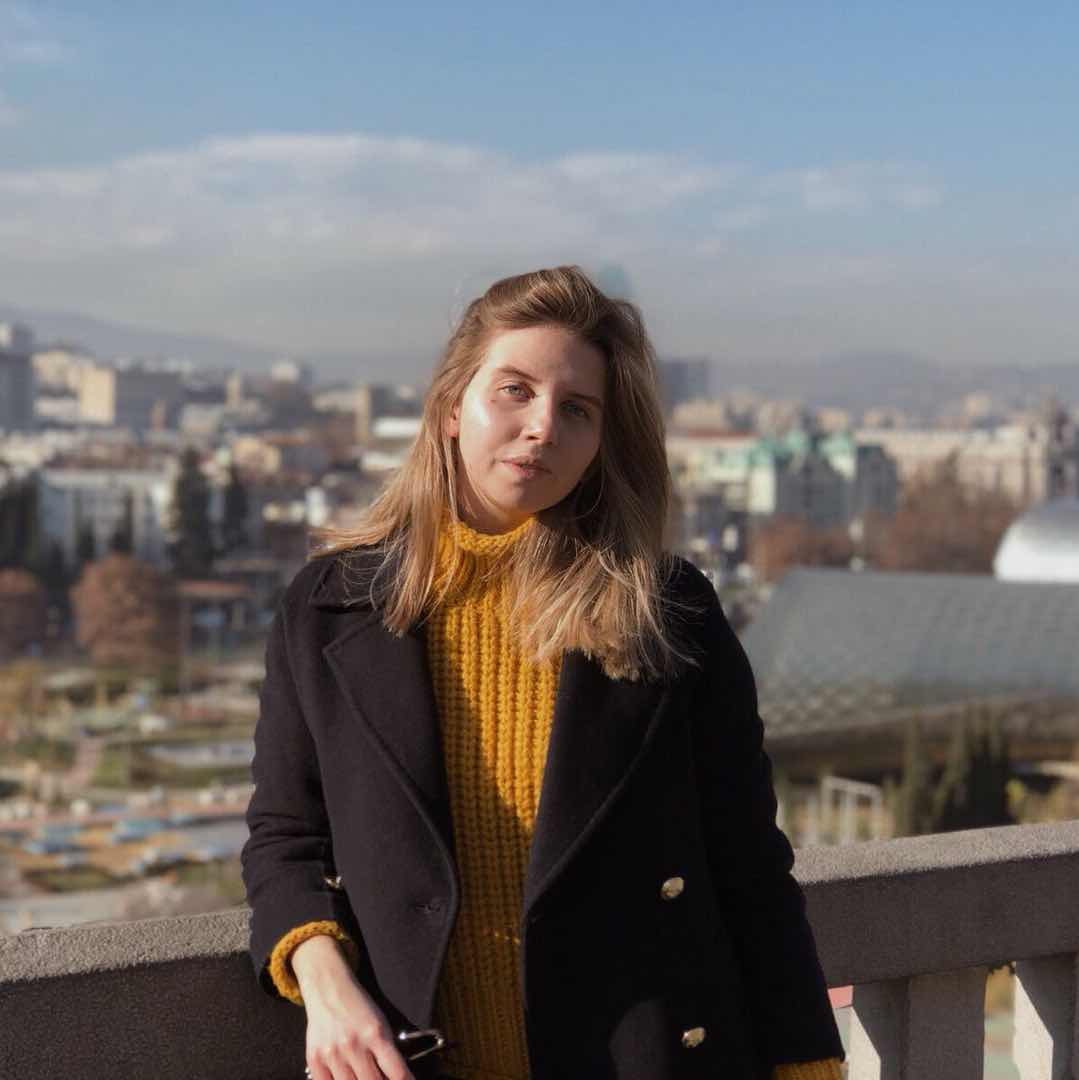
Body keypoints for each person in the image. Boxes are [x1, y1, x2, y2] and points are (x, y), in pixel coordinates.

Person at [241, 266, 845, 1080]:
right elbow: (285, 835)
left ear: (600, 443)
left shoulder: (667, 609)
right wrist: (323, 979)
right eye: (514, 391)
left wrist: (807, 1063)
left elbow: (748, 864)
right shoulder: (330, 607)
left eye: (577, 410)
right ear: (450, 407)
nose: (541, 427)